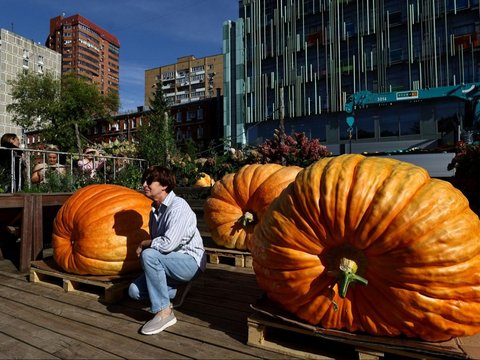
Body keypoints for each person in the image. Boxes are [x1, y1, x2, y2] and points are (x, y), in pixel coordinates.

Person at [128, 165, 206, 335]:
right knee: (134, 291)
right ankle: (177, 290)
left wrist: (143, 243)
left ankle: (164, 312)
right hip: (171, 263)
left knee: (148, 254)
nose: (144, 185)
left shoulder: (178, 207)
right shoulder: (154, 211)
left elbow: (167, 244)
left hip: (190, 262)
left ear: (164, 185)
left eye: (149, 181)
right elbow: (161, 248)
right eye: (144, 181)